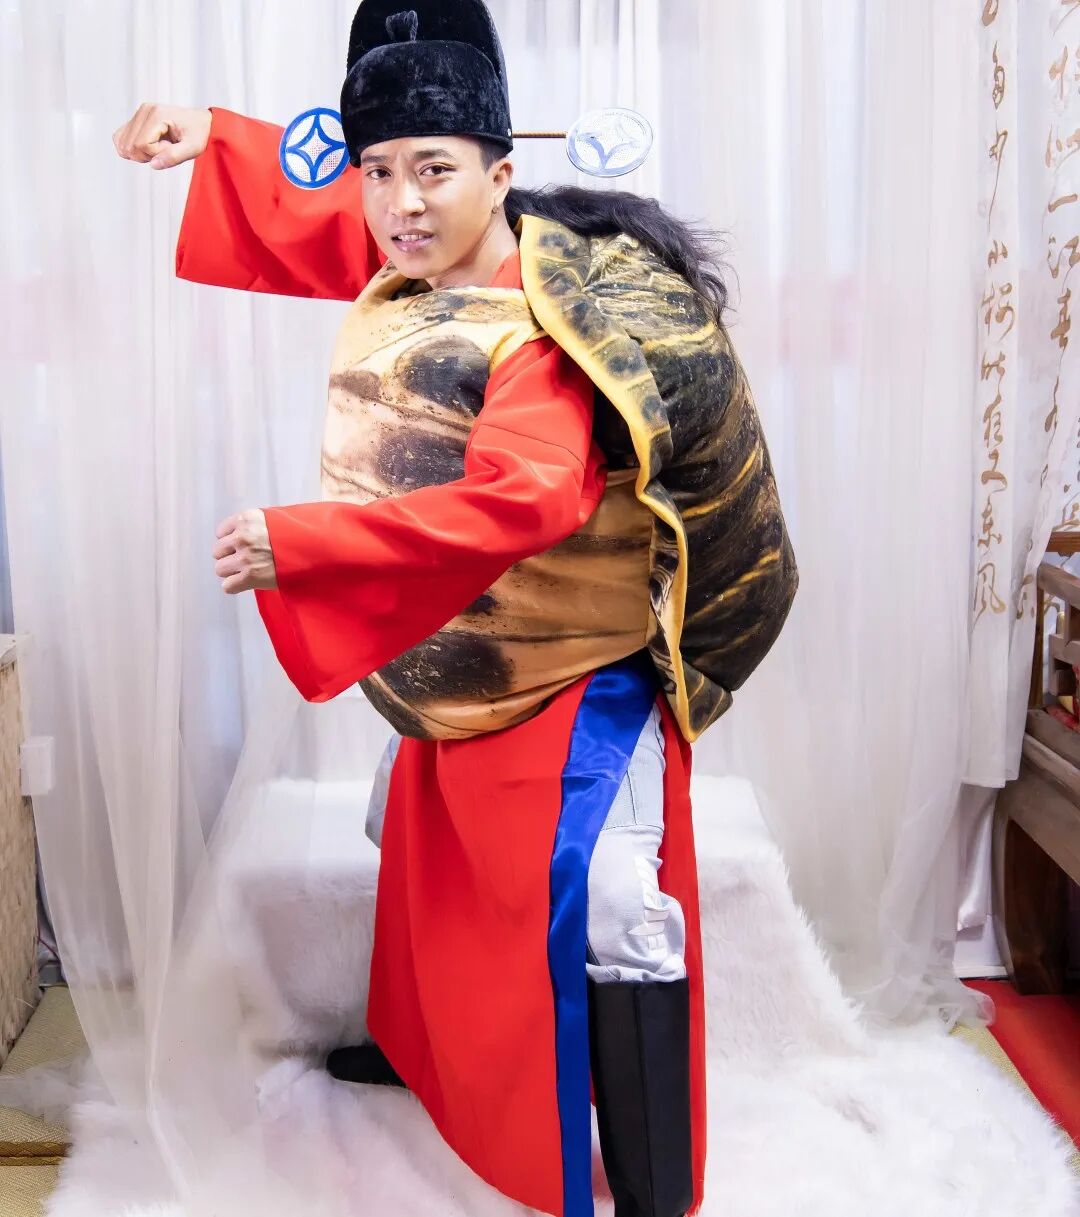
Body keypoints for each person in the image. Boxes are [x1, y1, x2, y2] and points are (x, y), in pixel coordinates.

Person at [113, 4, 797, 1215]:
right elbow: (336, 208)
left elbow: (522, 500)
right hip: (465, 661)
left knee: (617, 908)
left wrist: (301, 546)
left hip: (577, 675)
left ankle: (651, 1187)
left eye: (432, 170)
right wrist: (213, 133)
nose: (399, 204)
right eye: (377, 172)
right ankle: (431, 1059)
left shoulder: (549, 332)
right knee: (420, 850)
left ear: (503, 174)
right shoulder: (421, 245)